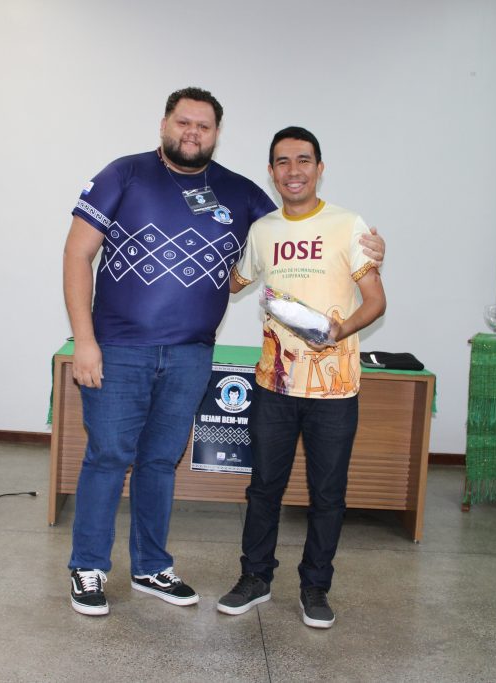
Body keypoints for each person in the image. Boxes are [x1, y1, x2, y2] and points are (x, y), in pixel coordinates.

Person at [61, 87, 388, 617]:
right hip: (119, 349)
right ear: (164, 124)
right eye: (183, 122)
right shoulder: (124, 174)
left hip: (191, 355)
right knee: (108, 456)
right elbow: (77, 255)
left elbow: (296, 226)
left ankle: (150, 566)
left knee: (160, 461)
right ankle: (88, 567)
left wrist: (368, 250)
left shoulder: (238, 192)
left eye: (204, 126)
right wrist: (85, 340)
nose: (192, 133)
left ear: (217, 133)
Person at [216, 127, 386, 629]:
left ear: (319, 168)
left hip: (335, 389)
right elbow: (231, 282)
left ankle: (315, 587)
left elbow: (376, 301)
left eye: (304, 160)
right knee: (263, 488)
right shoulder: (262, 230)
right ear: (272, 172)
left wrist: (339, 330)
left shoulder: (349, 225)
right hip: (275, 384)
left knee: (327, 494)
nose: (294, 171)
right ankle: (255, 577)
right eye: (283, 162)